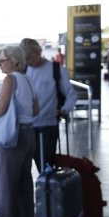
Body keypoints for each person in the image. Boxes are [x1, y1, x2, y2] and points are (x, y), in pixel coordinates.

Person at [0, 46, 38, 217]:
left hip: (13, 137)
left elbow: (1, 109)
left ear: (15, 62)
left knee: (5, 186)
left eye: (2, 60)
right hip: (29, 134)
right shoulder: (28, 79)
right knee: (24, 185)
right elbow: (36, 109)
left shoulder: (10, 79)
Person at [21, 38, 77, 172]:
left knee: (45, 165)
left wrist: (64, 110)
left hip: (48, 126)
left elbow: (71, 95)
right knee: (23, 169)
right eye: (24, 59)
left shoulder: (56, 70)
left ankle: (47, 190)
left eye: (28, 58)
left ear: (38, 52)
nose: (27, 62)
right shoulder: (23, 71)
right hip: (26, 127)